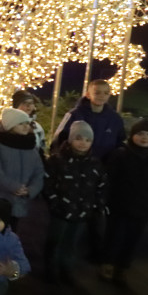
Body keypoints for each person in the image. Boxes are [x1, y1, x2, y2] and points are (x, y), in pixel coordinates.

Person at [102, 119, 148, 284]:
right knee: (113, 237)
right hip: (119, 206)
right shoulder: (120, 155)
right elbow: (109, 180)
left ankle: (122, 268)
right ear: (132, 136)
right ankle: (107, 265)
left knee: (132, 240)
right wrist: (104, 202)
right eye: (140, 134)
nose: (144, 138)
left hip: (142, 209)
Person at [43, 121, 107, 284]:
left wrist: (96, 205)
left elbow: (100, 185)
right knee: (55, 240)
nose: (83, 143)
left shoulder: (94, 163)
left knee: (71, 243)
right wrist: (54, 202)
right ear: (71, 139)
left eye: (87, 140)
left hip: (82, 211)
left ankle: (66, 269)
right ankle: (50, 269)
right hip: (61, 210)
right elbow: (48, 184)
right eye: (79, 138)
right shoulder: (57, 160)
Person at [0, 108, 44, 232]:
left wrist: (31, 189)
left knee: (14, 232)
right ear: (11, 126)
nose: (25, 127)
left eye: (26, 123)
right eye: (21, 123)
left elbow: (39, 172)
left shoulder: (31, 147)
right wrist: (14, 187)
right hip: (1, 199)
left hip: (22, 201)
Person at [51, 79, 125, 160]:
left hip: (105, 165)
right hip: (76, 163)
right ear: (88, 95)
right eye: (97, 93)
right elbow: (59, 139)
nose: (102, 96)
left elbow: (120, 141)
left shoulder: (115, 118)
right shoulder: (74, 115)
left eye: (106, 93)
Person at [0, 90, 45, 155]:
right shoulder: (4, 125)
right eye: (24, 103)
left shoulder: (37, 127)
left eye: (31, 103)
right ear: (16, 106)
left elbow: (41, 147)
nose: (28, 106)